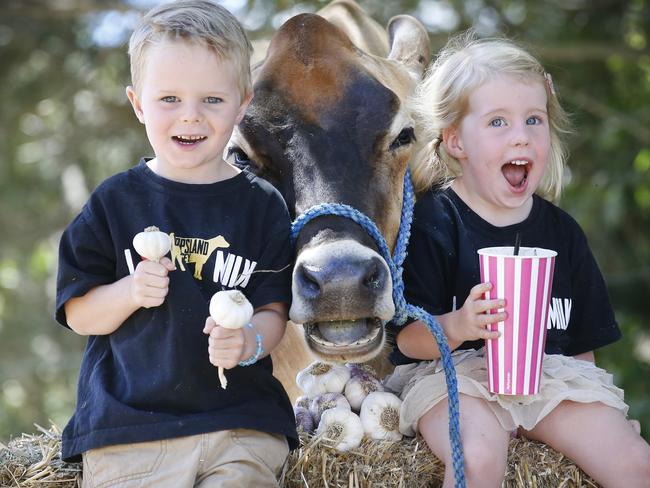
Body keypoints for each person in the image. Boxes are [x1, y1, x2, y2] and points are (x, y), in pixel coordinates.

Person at [386, 32, 650, 488]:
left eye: (534, 120)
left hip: (548, 378)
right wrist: (460, 326)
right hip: (454, 377)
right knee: (478, 458)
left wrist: (598, 411)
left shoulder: (562, 232)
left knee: (635, 462)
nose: (521, 137)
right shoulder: (435, 221)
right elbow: (405, 341)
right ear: (455, 142)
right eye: (498, 123)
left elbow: (581, 350)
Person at [55, 1, 297, 486]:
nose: (190, 117)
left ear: (243, 104)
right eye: (169, 100)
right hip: (129, 430)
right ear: (138, 103)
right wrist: (128, 292)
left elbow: (274, 312)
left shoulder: (262, 205)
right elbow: (79, 314)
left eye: (212, 100)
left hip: (240, 424)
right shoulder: (114, 202)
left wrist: (248, 342)